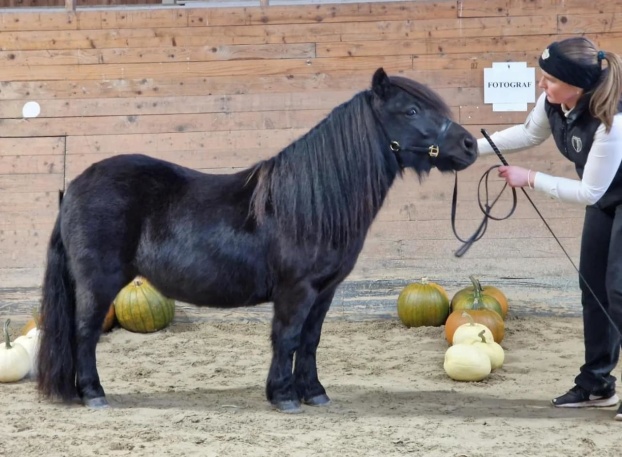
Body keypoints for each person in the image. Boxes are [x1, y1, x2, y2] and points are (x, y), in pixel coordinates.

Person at [476, 36, 622, 421]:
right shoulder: (555, 102)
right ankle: (597, 385)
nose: (542, 85)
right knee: (593, 287)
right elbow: (527, 134)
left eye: (550, 79)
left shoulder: (612, 121)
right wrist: (471, 148)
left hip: (606, 195)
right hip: (608, 201)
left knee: (620, 290)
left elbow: (590, 190)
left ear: (577, 85)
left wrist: (530, 177)